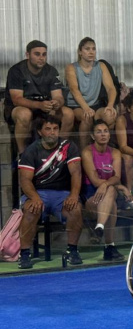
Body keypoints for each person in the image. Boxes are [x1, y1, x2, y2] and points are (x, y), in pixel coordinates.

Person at [16, 113, 84, 269]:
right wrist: (34, 198)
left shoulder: (69, 147)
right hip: (38, 192)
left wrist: (74, 195)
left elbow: (76, 173)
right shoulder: (31, 151)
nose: (52, 132)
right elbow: (25, 180)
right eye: (48, 129)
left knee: (75, 209)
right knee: (31, 210)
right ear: (40, 132)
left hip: (62, 193)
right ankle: (24, 254)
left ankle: (72, 250)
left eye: (55, 129)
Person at [4, 40, 74, 154]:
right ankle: (22, 154)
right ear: (27, 55)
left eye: (44, 54)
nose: (41, 58)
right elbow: (17, 99)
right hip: (19, 107)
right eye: (37, 54)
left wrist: (56, 103)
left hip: (44, 106)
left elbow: (58, 96)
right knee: (24, 114)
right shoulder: (16, 70)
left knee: (68, 113)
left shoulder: (51, 70)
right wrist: (39, 105)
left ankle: (58, 152)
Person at [81, 120, 127, 261]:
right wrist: (114, 185)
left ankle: (99, 227)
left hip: (109, 195)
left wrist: (107, 184)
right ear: (93, 136)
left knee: (111, 193)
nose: (103, 134)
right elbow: (95, 181)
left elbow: (117, 177)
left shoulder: (115, 152)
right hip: (92, 196)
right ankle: (109, 246)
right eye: (99, 132)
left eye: (105, 131)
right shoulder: (87, 152)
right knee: (112, 200)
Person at [65, 37, 118, 149]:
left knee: (110, 116)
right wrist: (86, 108)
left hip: (95, 104)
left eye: (93, 49)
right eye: (87, 49)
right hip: (77, 105)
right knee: (87, 117)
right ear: (80, 52)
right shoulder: (71, 67)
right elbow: (74, 89)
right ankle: (84, 151)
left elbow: (111, 88)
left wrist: (110, 105)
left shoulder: (101, 66)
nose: (91, 52)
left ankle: (103, 149)